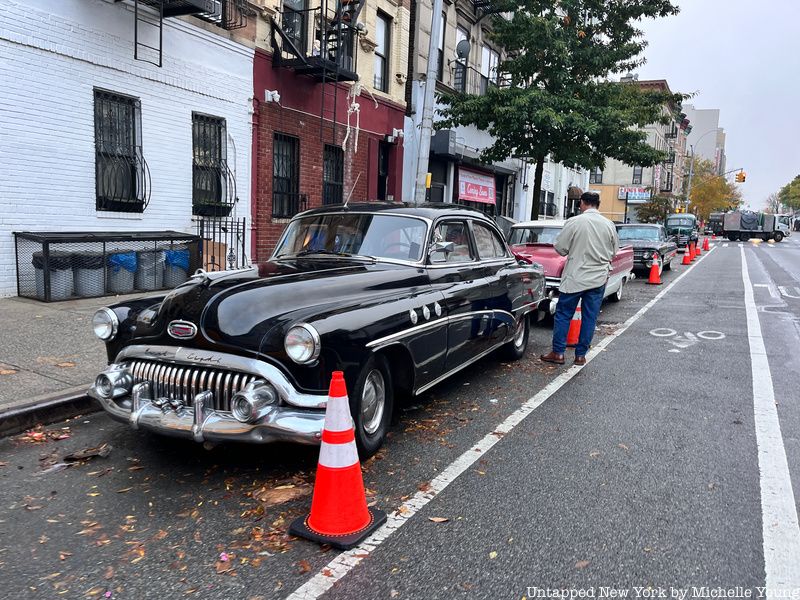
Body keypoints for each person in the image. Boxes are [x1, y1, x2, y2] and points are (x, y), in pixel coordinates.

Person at [540, 191, 619, 366]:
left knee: (563, 315)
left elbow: (561, 248)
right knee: (589, 317)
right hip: (598, 278)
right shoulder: (608, 225)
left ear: (582, 203)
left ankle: (558, 353)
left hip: (575, 277)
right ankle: (580, 355)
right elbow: (614, 251)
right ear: (598, 204)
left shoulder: (574, 222)